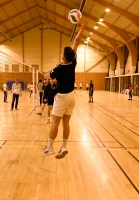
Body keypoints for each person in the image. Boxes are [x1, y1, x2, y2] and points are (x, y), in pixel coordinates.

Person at [41, 19, 89, 159]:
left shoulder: (59, 69)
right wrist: (82, 28)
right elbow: (76, 41)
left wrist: (54, 67)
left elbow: (46, 76)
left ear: (63, 56)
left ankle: (49, 148)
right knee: (66, 123)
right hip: (72, 97)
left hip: (62, 97)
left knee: (55, 122)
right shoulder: (72, 62)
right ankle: (63, 147)